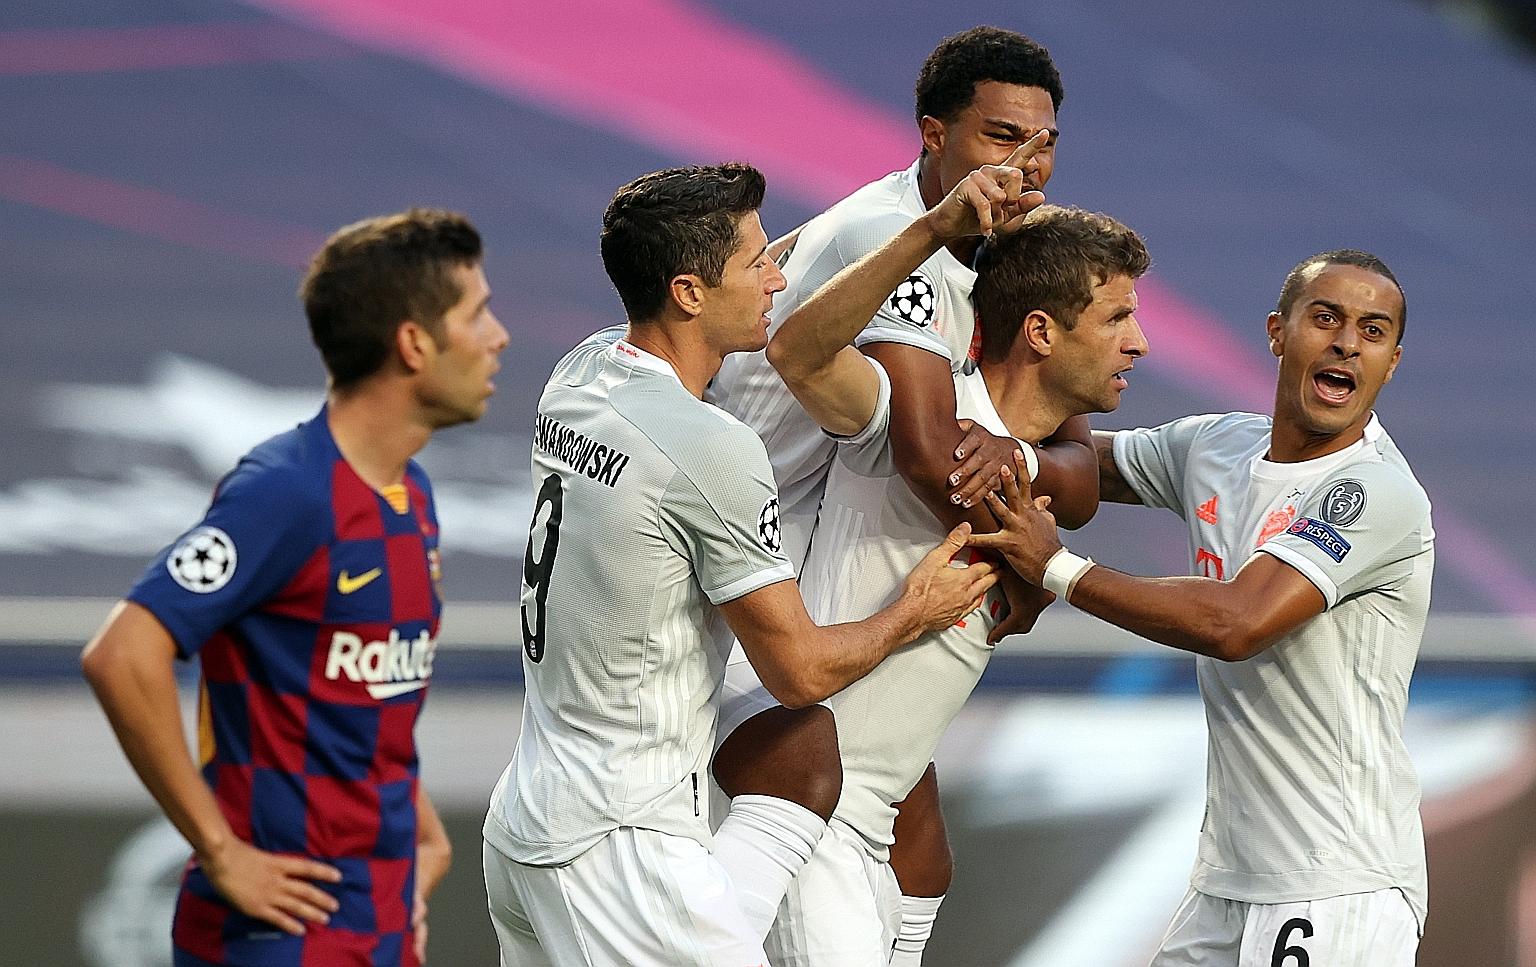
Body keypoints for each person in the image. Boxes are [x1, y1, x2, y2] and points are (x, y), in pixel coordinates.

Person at [479, 163, 997, 967]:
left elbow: (771, 256)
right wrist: (914, 611)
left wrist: (917, 222)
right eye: (756, 264)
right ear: (688, 291)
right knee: (804, 728)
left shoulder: (578, 375)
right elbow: (797, 669)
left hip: (533, 817)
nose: (779, 277)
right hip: (621, 849)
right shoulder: (712, 448)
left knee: (801, 759)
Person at [704, 27, 1100, 961]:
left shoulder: (1000, 245)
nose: (1026, 165)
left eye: (1041, 143)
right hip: (743, 578)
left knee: (920, 860)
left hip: (822, 550)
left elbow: (1072, 454)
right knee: (817, 813)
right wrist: (1028, 562)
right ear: (934, 136)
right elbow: (930, 456)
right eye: (1001, 138)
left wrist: (1029, 484)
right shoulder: (894, 238)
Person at [969, 250, 1430, 966]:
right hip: (1227, 883)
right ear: (1278, 332)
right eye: (1326, 318)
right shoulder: (1217, 446)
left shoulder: (1372, 492)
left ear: (1391, 363)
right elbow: (1072, 464)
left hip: (1336, 884)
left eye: (1372, 331)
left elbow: (1236, 622)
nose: (1346, 342)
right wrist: (1016, 390)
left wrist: (1054, 567)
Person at [80, 209, 510, 966]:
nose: (498, 335)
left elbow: (350, 700)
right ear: (414, 342)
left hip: (379, 918)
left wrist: (420, 821)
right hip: (280, 934)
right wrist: (220, 848)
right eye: (475, 313)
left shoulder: (410, 492)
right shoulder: (288, 492)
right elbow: (122, 653)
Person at [760, 198, 1149, 963]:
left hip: (875, 831)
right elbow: (801, 355)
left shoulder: (1028, 468)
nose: (1138, 343)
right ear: (1041, 331)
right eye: (1116, 319)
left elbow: (1066, 501)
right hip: (812, 821)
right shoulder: (921, 421)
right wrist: (930, 231)